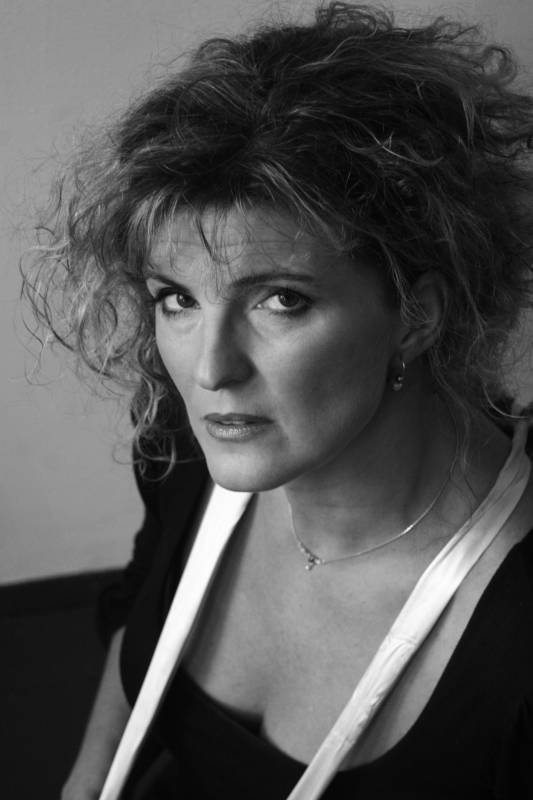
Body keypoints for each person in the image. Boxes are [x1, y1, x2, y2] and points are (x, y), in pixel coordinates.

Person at [23, 3, 533, 798]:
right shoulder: (188, 449)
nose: (210, 371)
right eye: (176, 298)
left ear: (417, 313)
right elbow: (142, 618)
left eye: (281, 301)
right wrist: (88, 782)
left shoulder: (514, 632)